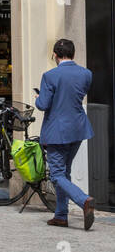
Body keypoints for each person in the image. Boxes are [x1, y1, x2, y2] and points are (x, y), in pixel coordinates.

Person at [36, 38, 96, 230]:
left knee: (57, 175)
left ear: (55, 55)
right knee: (65, 172)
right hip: (78, 128)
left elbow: (43, 105)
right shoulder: (86, 74)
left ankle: (84, 200)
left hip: (57, 131)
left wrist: (38, 98)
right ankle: (61, 215)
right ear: (74, 54)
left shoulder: (50, 76)